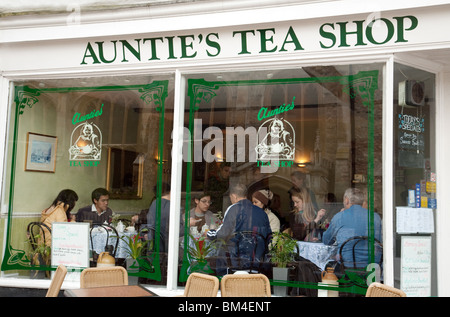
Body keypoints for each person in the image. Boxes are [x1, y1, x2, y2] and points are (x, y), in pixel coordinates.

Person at [207, 183, 272, 275]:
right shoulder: (261, 213)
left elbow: (223, 234)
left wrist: (211, 233)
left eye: (230, 198)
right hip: (256, 264)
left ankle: (222, 282)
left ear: (234, 196)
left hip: (235, 263)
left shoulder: (233, 209)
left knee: (220, 247)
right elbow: (269, 237)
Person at [322, 188, 382, 268]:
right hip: (373, 266)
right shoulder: (375, 217)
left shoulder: (339, 217)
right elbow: (380, 241)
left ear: (346, 200)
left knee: (328, 267)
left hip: (347, 266)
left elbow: (327, 240)